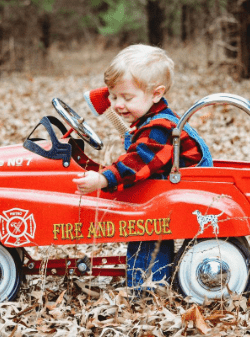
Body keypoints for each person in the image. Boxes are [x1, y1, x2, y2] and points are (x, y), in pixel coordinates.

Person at [73, 44, 213, 292]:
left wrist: (104, 179)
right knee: (148, 227)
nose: (117, 104)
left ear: (156, 94)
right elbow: (113, 105)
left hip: (185, 190)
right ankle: (149, 283)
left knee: (148, 229)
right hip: (169, 188)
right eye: (113, 96)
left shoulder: (159, 128)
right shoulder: (146, 118)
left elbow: (136, 163)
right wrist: (111, 94)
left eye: (127, 98)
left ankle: (147, 290)